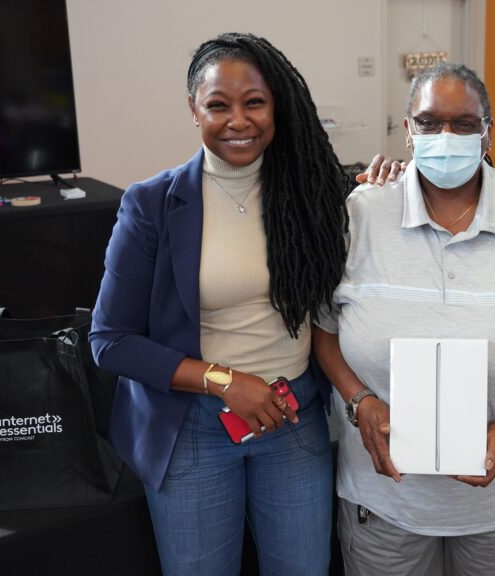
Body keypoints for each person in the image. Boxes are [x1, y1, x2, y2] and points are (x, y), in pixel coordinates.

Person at [312, 63, 495, 576]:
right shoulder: (359, 215)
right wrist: (360, 400)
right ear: (407, 130)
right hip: (386, 502)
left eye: (464, 124)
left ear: (489, 131)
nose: (445, 136)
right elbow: (324, 331)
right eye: (428, 122)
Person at [89, 32, 346, 576]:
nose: (239, 120)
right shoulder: (153, 204)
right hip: (192, 425)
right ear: (193, 108)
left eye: (254, 102)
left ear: (277, 103)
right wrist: (225, 381)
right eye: (218, 105)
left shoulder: (313, 193)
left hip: (292, 415)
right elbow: (108, 341)